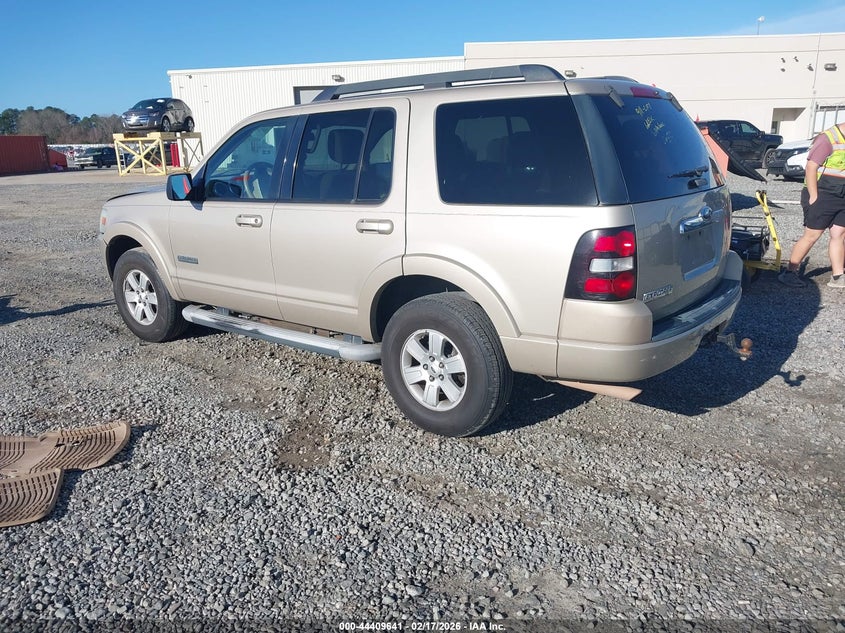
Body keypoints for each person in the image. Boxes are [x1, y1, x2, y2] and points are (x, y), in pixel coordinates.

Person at [778, 121, 845, 288]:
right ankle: (790, 272)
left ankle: (838, 276)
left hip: (841, 194)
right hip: (823, 193)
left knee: (839, 234)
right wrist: (814, 197)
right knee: (812, 235)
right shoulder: (828, 138)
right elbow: (810, 167)